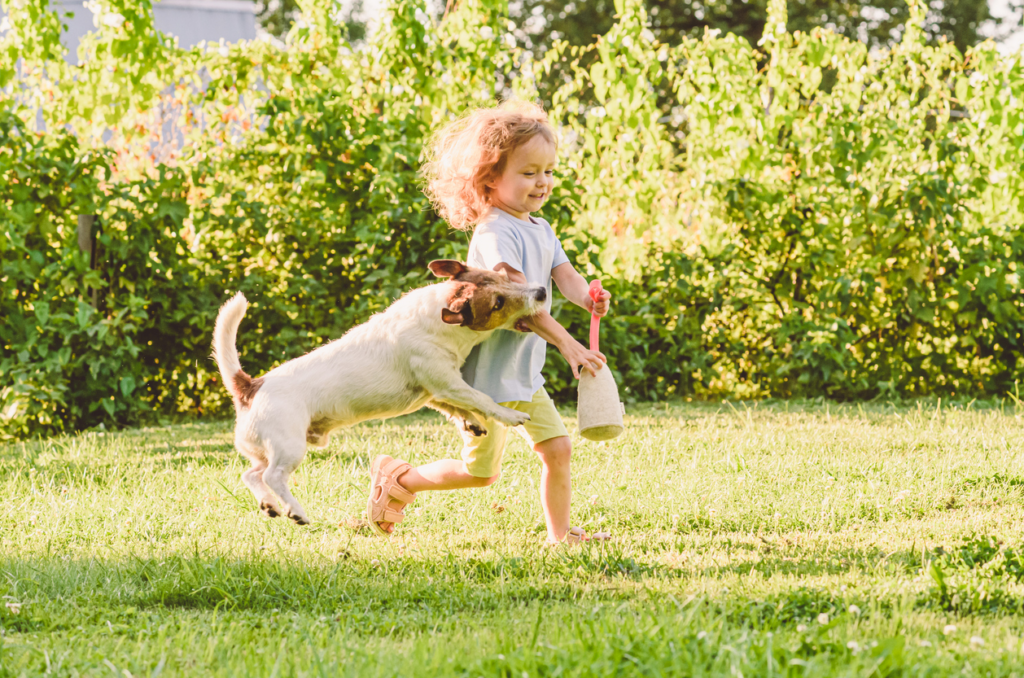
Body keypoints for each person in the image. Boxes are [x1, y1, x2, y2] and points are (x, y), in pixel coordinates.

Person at [366, 100, 611, 544]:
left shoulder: (541, 227)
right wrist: (569, 346)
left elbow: (567, 277)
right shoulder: (495, 232)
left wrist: (589, 298)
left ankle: (562, 537)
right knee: (480, 474)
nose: (542, 182)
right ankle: (400, 479)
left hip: (523, 375)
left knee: (558, 451)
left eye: (548, 172)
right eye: (529, 172)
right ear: (490, 178)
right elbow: (522, 305)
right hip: (483, 383)